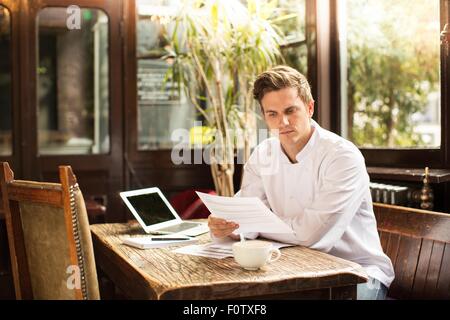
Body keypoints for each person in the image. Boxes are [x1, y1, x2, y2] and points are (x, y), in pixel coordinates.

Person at [208, 65, 395, 300]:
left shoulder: (341, 156)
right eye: (272, 114)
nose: (282, 122)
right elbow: (247, 220)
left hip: (357, 274)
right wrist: (227, 227)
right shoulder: (263, 153)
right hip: (291, 271)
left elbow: (311, 236)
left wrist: (258, 221)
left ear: (309, 107)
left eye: (291, 110)